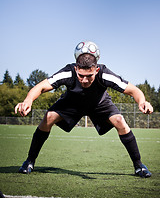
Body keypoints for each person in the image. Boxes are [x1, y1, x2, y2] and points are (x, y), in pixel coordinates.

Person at [15, 41, 153, 178]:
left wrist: (142, 101)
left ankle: (138, 165)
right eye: (81, 76)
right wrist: (28, 100)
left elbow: (133, 90)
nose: (85, 80)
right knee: (49, 117)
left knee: (120, 120)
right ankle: (30, 161)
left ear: (96, 70)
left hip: (99, 104)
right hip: (72, 103)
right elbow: (41, 87)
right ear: (76, 69)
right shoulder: (68, 72)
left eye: (89, 76)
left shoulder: (104, 74)